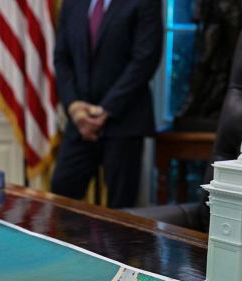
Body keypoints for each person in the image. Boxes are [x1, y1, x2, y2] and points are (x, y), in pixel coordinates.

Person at [51, 0, 162, 208]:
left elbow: (145, 59)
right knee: (61, 192)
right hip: (79, 121)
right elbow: (62, 58)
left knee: (121, 208)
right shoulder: (72, 4)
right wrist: (74, 107)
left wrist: (105, 109)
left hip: (124, 120)